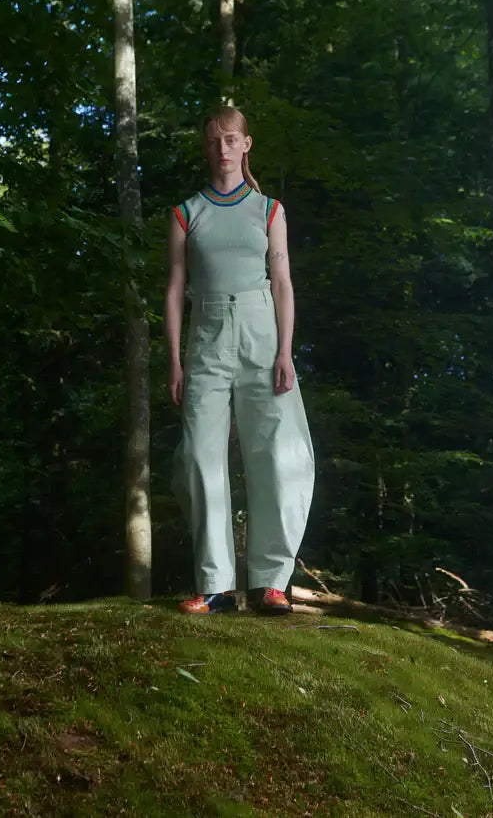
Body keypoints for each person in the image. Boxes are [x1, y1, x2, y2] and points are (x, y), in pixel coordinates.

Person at [165, 106, 315, 616]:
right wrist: (174, 361)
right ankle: (216, 586)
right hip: (206, 335)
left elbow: (282, 282)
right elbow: (175, 289)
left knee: (277, 451)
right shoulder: (186, 213)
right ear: (205, 147)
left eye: (231, 139)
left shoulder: (269, 210)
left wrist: (285, 351)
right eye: (214, 140)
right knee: (198, 455)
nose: (223, 148)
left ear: (246, 144)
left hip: (261, 333)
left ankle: (271, 582)